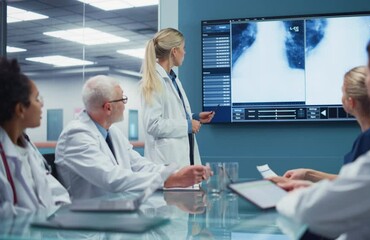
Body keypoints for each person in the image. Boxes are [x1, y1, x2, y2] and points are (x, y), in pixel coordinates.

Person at [275, 34, 370, 239]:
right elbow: (364, 191)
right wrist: (311, 189)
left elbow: (315, 212)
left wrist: (285, 199)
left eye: (369, 75)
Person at [55, 75, 210, 200]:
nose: (124, 104)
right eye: (122, 99)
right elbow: (112, 179)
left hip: (116, 215)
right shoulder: (76, 135)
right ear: (108, 107)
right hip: (87, 226)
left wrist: (176, 172)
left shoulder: (112, 132)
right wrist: (169, 180)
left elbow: (140, 165)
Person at [271, 66, 370, 183]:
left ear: (351, 102)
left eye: (343, 92)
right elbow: (351, 181)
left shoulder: (369, 140)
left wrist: (304, 189)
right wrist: (308, 174)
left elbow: (352, 189)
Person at [0, 58, 70, 216]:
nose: (42, 104)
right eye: (37, 99)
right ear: (20, 109)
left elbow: (55, 193)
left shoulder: (27, 149)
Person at [140, 28, 214, 168]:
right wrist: (187, 125)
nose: (184, 52)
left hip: (181, 159)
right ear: (174, 51)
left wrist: (195, 117)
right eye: (183, 48)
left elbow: (171, 114)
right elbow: (153, 124)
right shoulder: (155, 81)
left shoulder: (172, 79)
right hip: (165, 164)